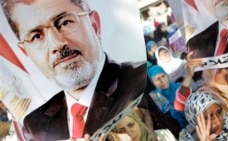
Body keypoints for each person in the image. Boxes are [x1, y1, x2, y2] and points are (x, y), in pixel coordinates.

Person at [1, 0, 147, 140]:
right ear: (27, 52)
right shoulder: (34, 125)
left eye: (65, 23)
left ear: (94, 25)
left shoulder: (141, 82)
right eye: (37, 36)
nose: (57, 44)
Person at [147, 51, 203, 129]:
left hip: (198, 122)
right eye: (157, 79)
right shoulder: (155, 99)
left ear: (167, 75)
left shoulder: (178, 87)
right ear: (153, 83)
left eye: (163, 76)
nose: (162, 80)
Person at [111, 110, 177, 141]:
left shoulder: (163, 135)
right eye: (121, 131)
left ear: (138, 122)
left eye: (131, 125)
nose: (129, 133)